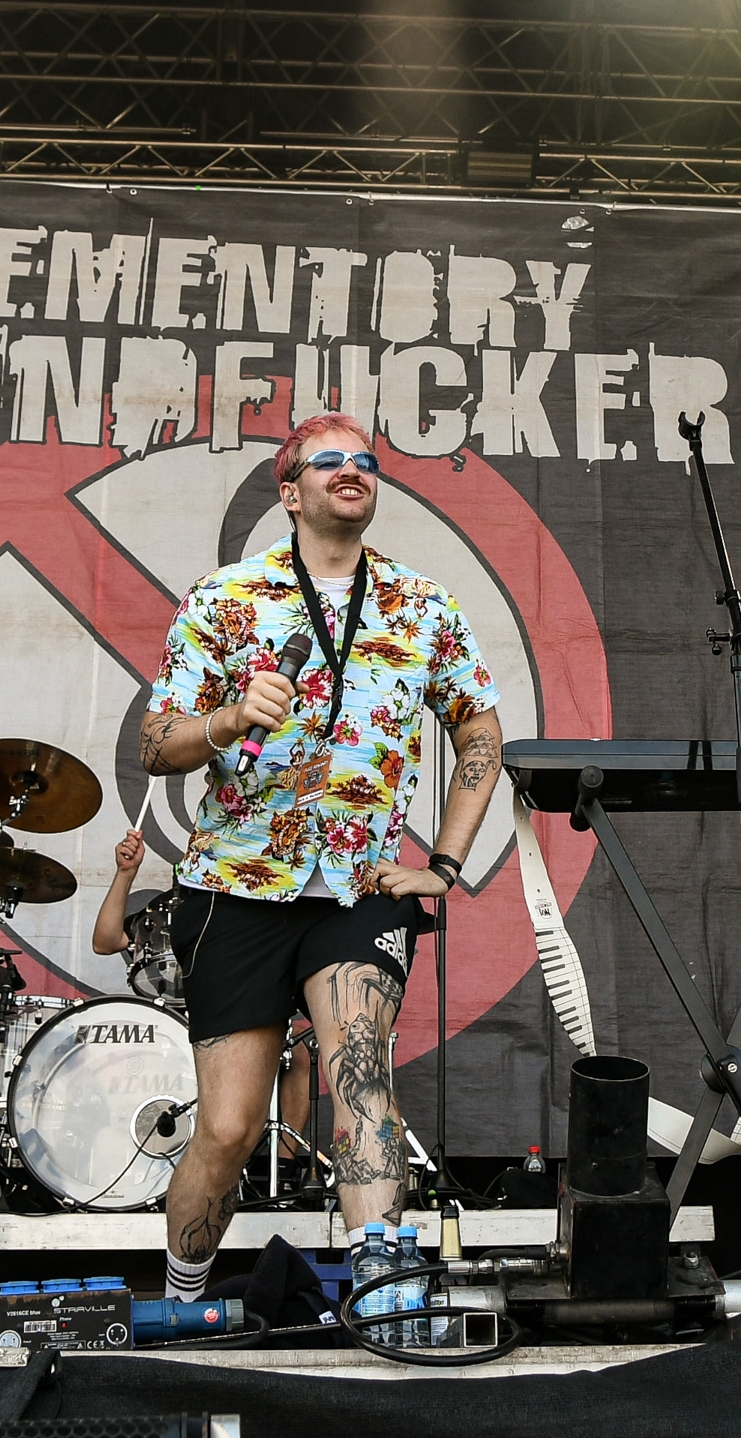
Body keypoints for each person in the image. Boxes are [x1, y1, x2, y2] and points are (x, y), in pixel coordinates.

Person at [136, 412, 503, 1306]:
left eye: (366, 459)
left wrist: (444, 863)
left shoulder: (422, 603)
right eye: (328, 459)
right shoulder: (227, 595)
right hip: (236, 883)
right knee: (227, 1128)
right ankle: (183, 1297)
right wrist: (228, 718)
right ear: (289, 489)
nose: (352, 469)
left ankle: (382, 1286)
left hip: (358, 887)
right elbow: (154, 742)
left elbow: (480, 731)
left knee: (361, 1076)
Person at [93, 827, 313, 1174]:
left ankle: (280, 1165)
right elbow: (105, 942)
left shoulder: (245, 906)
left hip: (231, 1005)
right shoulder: (162, 912)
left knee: (297, 1049)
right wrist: (125, 874)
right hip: (173, 1014)